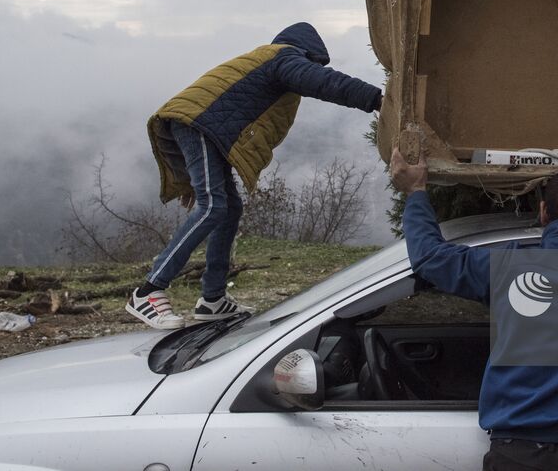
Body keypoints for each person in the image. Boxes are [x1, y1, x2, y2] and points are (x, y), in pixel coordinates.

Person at [389, 93, 558, 471]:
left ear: (543, 212)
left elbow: (430, 258)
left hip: (514, 455)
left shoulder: (507, 268)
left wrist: (416, 192)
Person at [128, 22, 383, 330]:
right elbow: (324, 82)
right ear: (310, 53)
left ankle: (212, 300)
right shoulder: (285, 58)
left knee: (229, 208)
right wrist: (376, 99)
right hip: (198, 126)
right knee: (213, 206)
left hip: (202, 127)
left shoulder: (266, 57)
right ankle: (148, 291)